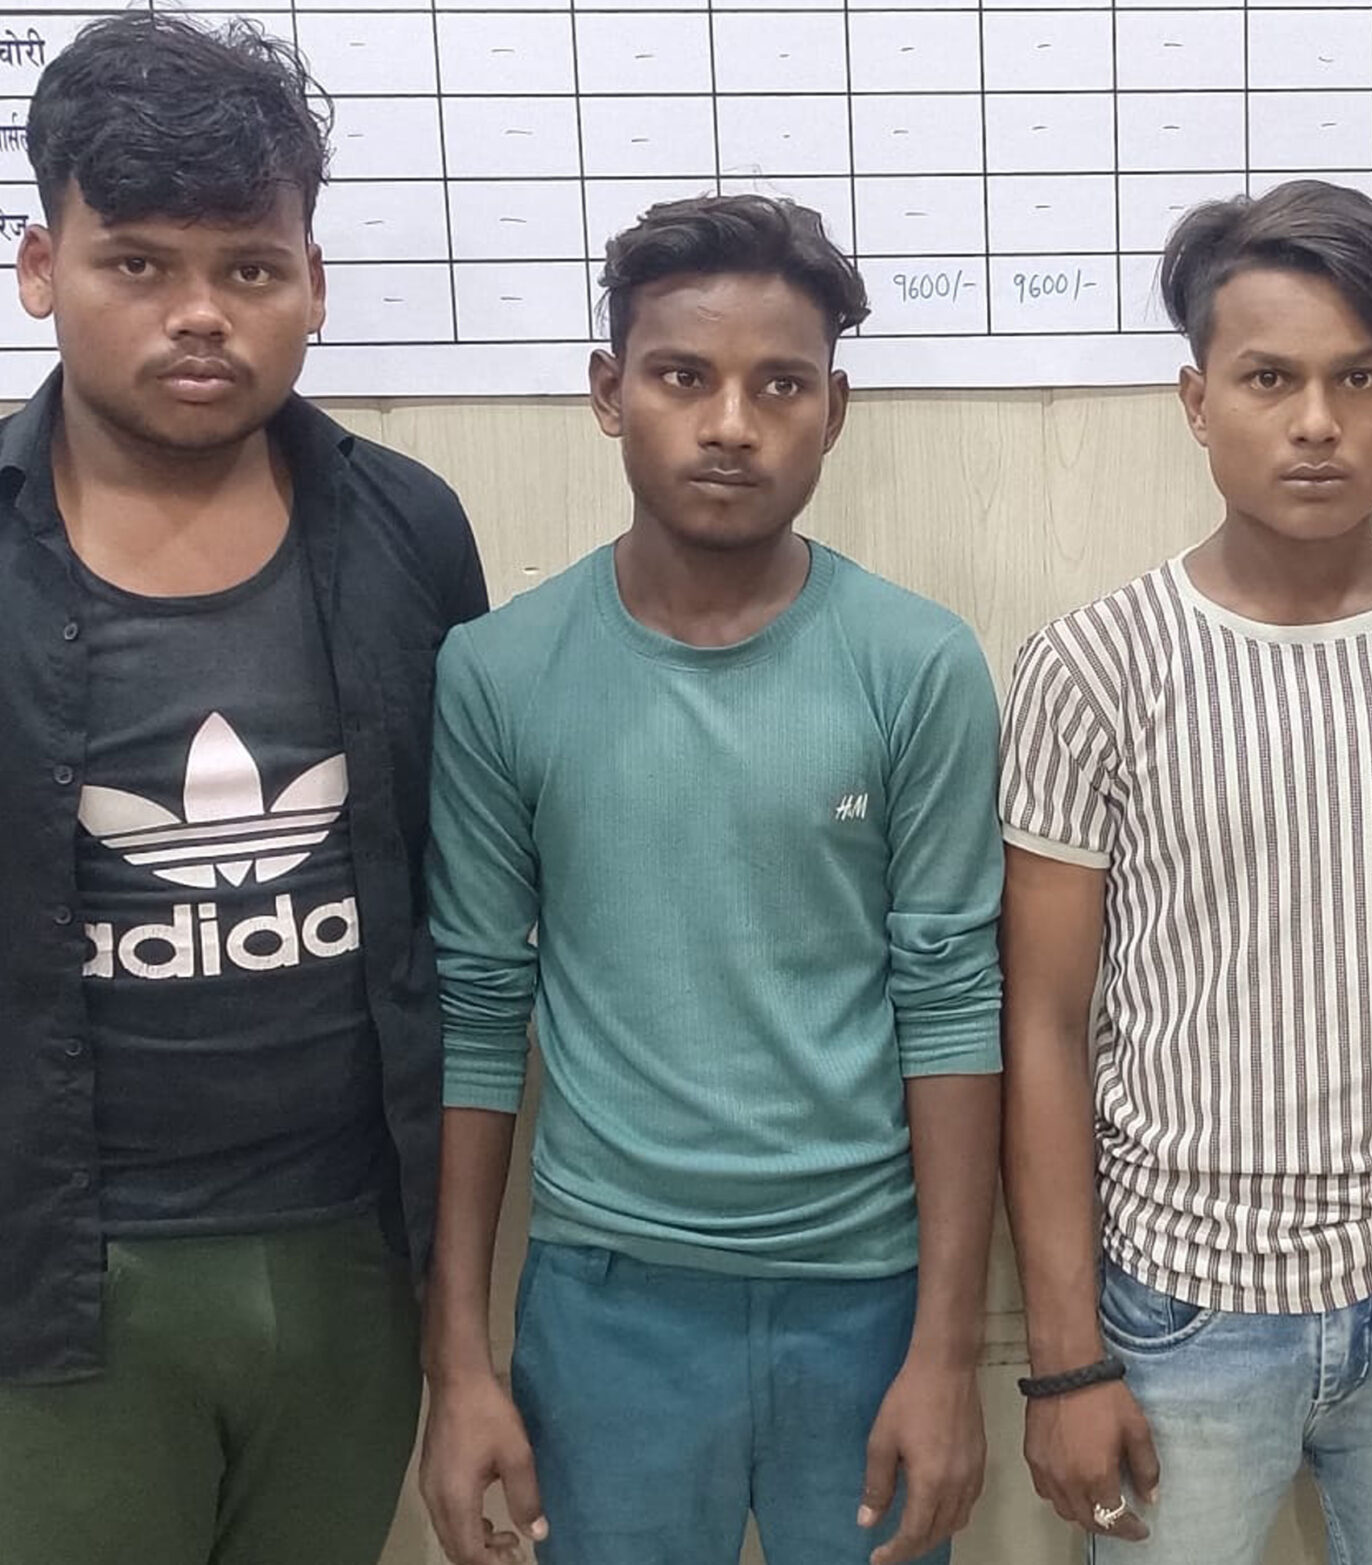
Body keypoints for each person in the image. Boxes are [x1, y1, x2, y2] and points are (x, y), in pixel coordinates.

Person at [0, 15, 488, 1565]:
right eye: (137, 263)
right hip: (51, 1273)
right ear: (40, 267)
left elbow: (451, 884)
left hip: (355, 1253)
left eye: (251, 267)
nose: (199, 314)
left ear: (313, 283)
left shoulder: (410, 533)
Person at [995, 178, 1372, 1564]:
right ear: (1197, 400)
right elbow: (1042, 1025)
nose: (1317, 421)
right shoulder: (1093, 668)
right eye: (1270, 378)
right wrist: (1066, 1359)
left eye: (1358, 377)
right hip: (1180, 1303)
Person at [415, 193, 1003, 1565]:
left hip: (864, 1296)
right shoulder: (500, 673)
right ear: (608, 392)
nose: (731, 423)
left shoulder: (918, 666)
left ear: (834, 411)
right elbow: (479, 1012)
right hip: (607, 1304)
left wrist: (946, 1350)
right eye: (683, 376)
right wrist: (458, 1364)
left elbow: (952, 1004)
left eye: (780, 384)